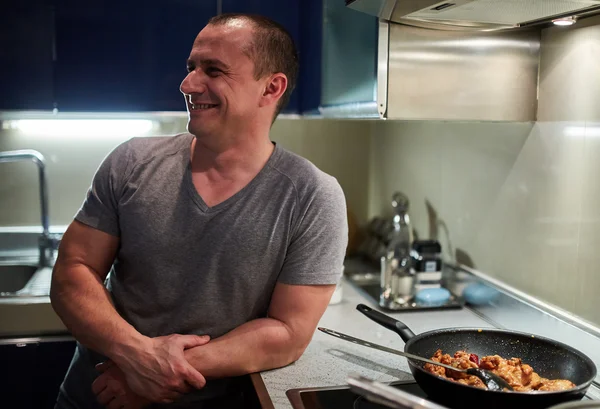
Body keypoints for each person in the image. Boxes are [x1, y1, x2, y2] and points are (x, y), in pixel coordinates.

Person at [50, 13, 348, 409]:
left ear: (270, 87)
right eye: (191, 67)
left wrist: (154, 374)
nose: (188, 84)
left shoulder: (313, 196)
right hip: (96, 396)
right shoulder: (132, 162)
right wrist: (136, 355)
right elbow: (73, 271)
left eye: (214, 70)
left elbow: (288, 332)